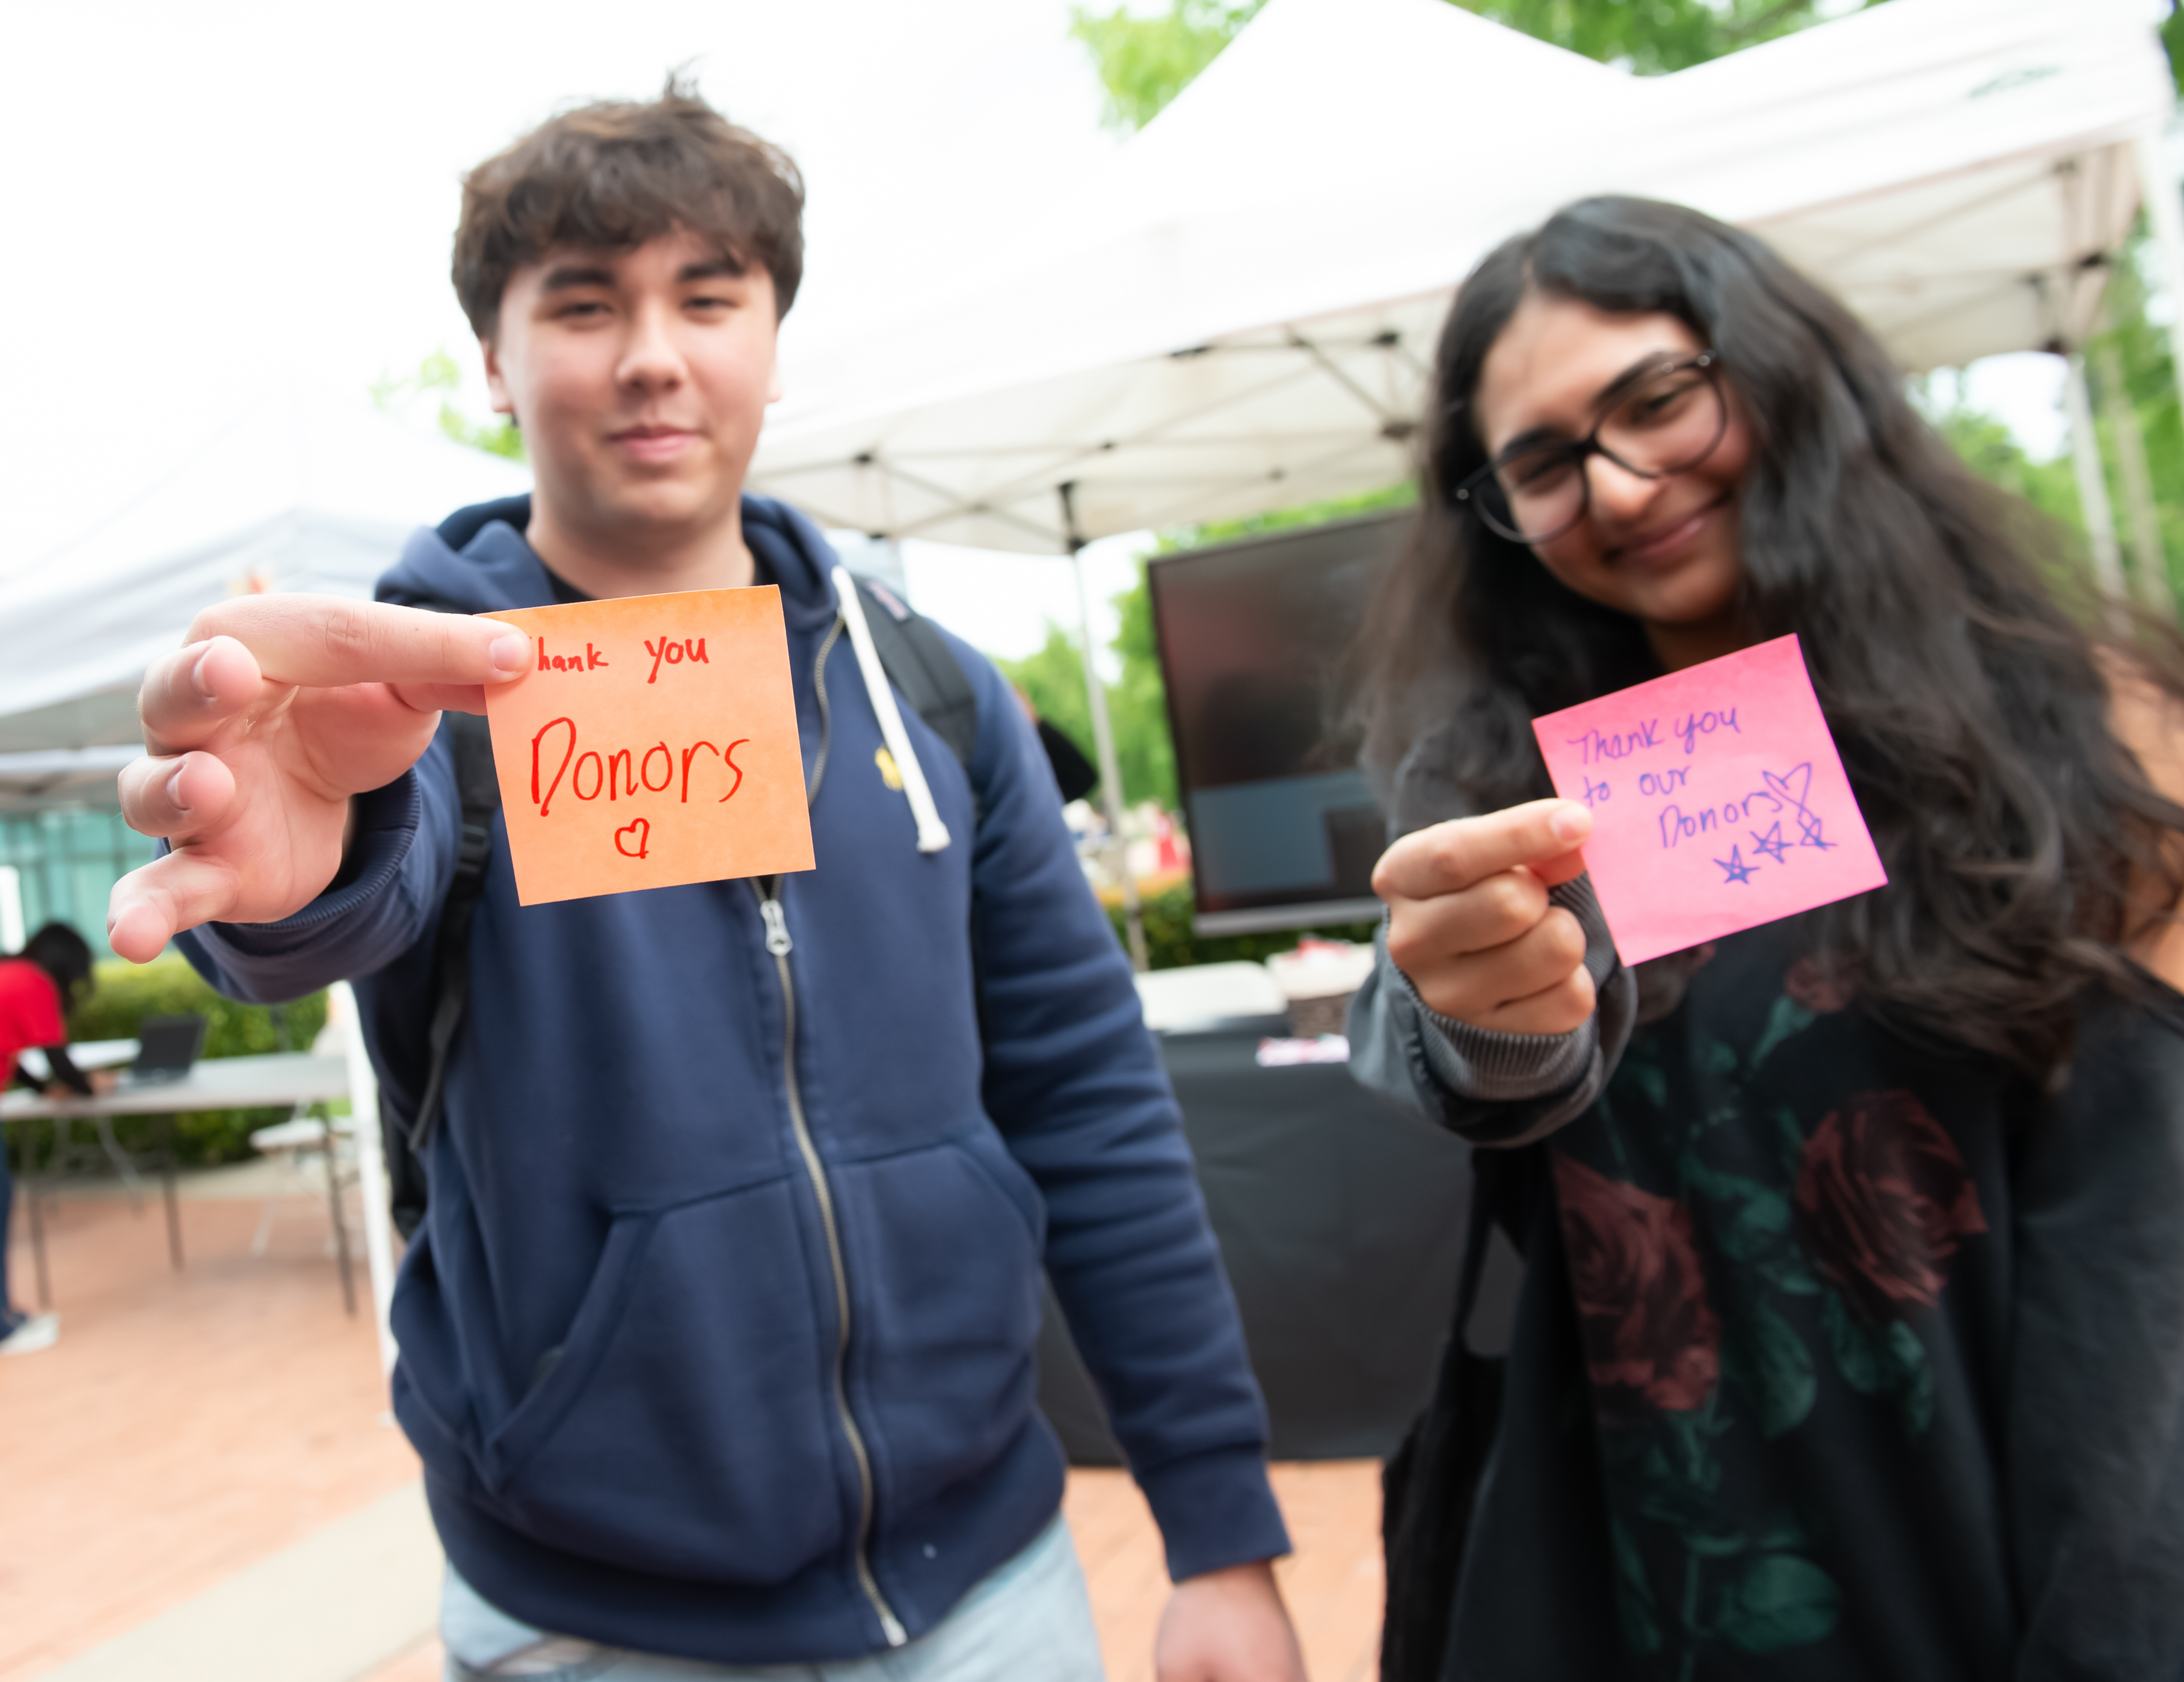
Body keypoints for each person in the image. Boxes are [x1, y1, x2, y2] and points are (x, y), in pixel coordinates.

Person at [103, 82, 1304, 1682]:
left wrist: (1216, 1525)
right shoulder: (401, 706)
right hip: (592, 1613)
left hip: (990, 1577)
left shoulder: (934, 693)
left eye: (709, 295)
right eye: (584, 304)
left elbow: (1089, 1100)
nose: (653, 354)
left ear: (774, 338)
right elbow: (340, 895)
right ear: (493, 357)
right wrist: (272, 882)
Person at [1347, 195, 2184, 1680]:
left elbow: (2147, 1261)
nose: (1612, 487)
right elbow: (1451, 1053)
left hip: (2002, 1567)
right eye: (1542, 463)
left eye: (1655, 400)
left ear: (1776, 368)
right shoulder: (1511, 777)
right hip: (1643, 1576)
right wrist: (1488, 1012)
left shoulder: (2091, 732)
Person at [1, 921, 114, 1356]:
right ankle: (3, 1328)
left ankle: (5, 1316)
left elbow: (12, 1055)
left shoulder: (8, 973)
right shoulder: (35, 983)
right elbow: (60, 1062)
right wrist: (93, 1086)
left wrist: (44, 1089)